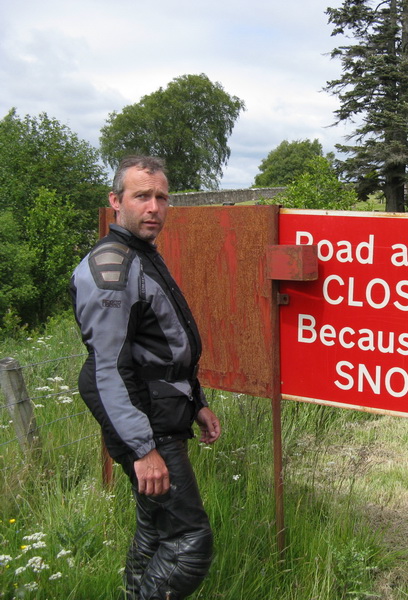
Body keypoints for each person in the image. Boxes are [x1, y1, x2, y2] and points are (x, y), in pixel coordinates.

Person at [70, 155, 221, 599]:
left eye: (161, 197)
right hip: (142, 422)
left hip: (160, 410)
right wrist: (143, 449)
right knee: (191, 543)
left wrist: (197, 402)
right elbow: (108, 368)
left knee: (155, 527)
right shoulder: (111, 269)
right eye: (142, 196)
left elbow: (162, 350)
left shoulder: (142, 255)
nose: (154, 207)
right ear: (116, 201)